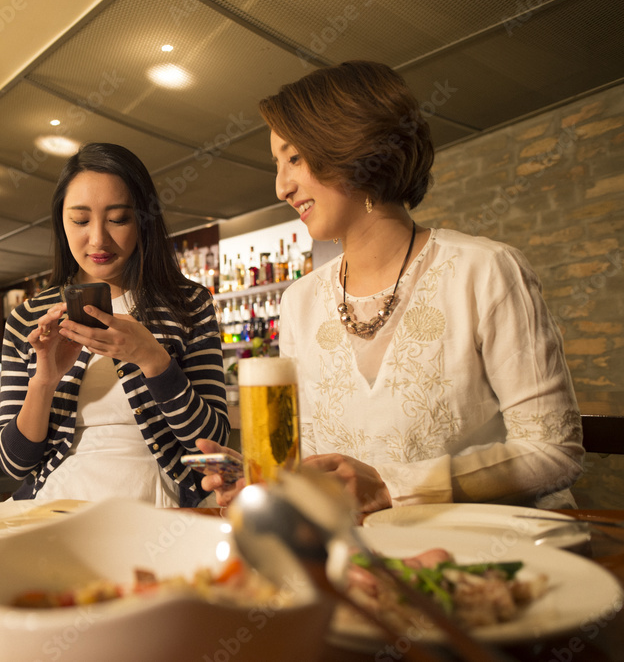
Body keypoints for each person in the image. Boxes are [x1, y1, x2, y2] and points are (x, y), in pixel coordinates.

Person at [201, 61, 583, 512]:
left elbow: (553, 451)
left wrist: (391, 486)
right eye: (278, 164)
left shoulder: (485, 270)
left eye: (294, 158)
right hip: (356, 562)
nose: (281, 186)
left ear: (351, 146)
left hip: (479, 555)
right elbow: (318, 466)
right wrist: (266, 480)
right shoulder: (299, 302)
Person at [0, 142, 229, 507]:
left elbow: (215, 446)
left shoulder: (188, 305)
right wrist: (44, 381)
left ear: (143, 220)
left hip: (158, 501)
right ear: (61, 221)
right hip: (57, 501)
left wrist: (154, 360)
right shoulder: (28, 318)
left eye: (118, 218)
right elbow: (14, 463)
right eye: (80, 220)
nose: (98, 239)